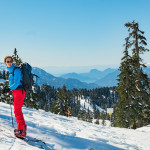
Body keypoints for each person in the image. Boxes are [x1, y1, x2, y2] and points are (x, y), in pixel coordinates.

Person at [3, 56, 27, 138]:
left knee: (17, 111)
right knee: (18, 110)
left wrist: (9, 88)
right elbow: (13, 83)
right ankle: (22, 130)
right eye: (7, 61)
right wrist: (10, 89)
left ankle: (21, 131)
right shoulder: (11, 71)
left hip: (19, 92)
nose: (9, 63)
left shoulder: (16, 70)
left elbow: (16, 83)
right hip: (16, 92)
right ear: (5, 63)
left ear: (12, 62)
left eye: (10, 61)